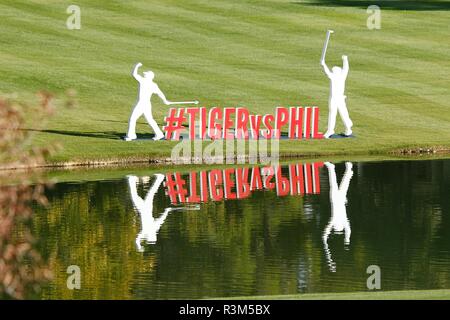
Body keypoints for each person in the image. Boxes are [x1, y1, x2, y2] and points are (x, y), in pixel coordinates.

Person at [125, 63, 172, 141]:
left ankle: (131, 136)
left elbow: (134, 74)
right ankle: (159, 134)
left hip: (142, 104)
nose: (144, 75)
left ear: (149, 76)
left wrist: (137, 66)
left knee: (133, 119)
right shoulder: (152, 84)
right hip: (146, 104)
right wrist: (165, 100)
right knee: (149, 119)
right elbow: (160, 93)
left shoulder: (143, 81)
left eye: (146, 74)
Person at [322, 161, 353, 272]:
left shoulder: (340, 222)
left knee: (342, 184)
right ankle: (343, 168)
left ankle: (345, 168)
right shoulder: (337, 221)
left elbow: (348, 230)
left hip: (337, 200)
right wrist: (346, 239)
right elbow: (326, 233)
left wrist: (347, 238)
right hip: (336, 200)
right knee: (337, 184)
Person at [321, 55, 353, 138]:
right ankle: (330, 130)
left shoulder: (339, 76)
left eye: (334, 70)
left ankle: (348, 128)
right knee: (333, 113)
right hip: (333, 98)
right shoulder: (335, 76)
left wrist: (345, 60)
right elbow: (327, 72)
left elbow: (346, 68)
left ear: (338, 71)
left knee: (343, 113)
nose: (333, 71)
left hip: (339, 98)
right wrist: (323, 64)